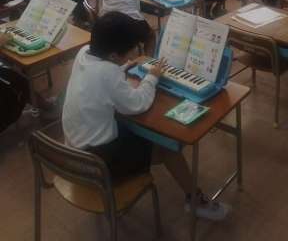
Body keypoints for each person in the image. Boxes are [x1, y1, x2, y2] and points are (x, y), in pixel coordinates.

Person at [62, 12, 230, 221]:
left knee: (134, 127)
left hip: (73, 152)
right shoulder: (107, 73)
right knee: (168, 145)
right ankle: (195, 201)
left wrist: (123, 67)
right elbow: (138, 103)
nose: (134, 54)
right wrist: (152, 76)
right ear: (113, 56)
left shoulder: (84, 53)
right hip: (97, 165)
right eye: (131, 50)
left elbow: (105, 77)